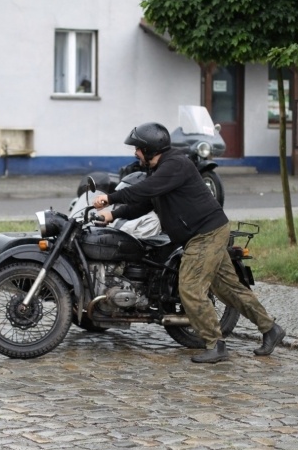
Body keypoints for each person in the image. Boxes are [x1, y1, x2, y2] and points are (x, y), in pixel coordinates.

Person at [93, 122, 285, 363]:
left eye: (138, 148)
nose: (135, 153)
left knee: (191, 288)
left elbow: (144, 190)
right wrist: (111, 214)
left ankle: (216, 344)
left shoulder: (175, 164)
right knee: (230, 289)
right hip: (204, 232)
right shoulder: (160, 169)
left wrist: (109, 198)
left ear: (150, 149)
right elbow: (145, 203)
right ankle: (271, 329)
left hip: (205, 234)